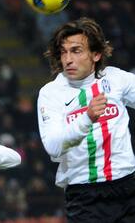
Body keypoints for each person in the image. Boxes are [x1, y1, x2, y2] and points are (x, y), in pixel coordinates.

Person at [37, 17, 135, 222]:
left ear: (96, 54)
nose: (68, 59)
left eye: (76, 50)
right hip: (85, 196)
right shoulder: (51, 93)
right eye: (63, 52)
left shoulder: (116, 79)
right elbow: (53, 146)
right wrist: (87, 118)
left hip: (128, 187)